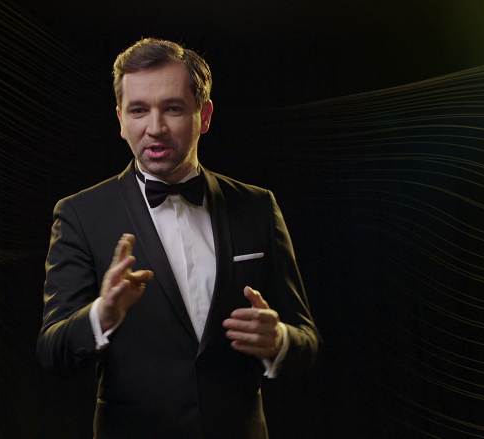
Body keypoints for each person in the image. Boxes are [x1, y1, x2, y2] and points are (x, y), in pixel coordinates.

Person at [37, 37, 320, 439]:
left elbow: (306, 341)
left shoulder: (258, 207)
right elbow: (52, 352)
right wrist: (102, 316)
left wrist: (279, 341)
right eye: (138, 110)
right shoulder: (81, 214)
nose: (154, 128)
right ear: (120, 119)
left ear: (204, 116)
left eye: (172, 108)